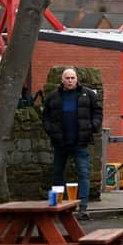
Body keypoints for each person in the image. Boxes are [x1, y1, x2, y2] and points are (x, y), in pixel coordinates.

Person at [43, 67, 102, 221]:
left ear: (77, 79)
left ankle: (83, 208)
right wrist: (51, 130)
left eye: (72, 78)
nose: (70, 80)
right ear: (62, 80)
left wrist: (92, 126)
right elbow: (45, 118)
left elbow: (98, 112)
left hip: (80, 142)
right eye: (67, 78)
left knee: (84, 174)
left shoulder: (88, 95)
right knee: (57, 175)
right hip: (60, 142)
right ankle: (56, 207)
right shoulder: (52, 97)